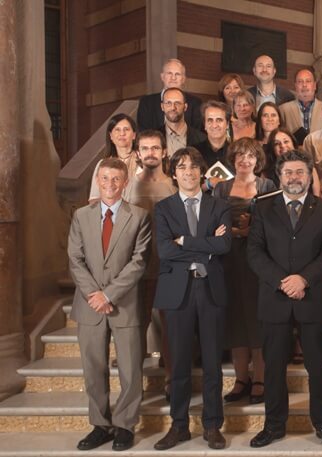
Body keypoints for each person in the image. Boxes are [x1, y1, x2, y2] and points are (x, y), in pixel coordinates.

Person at [247, 150, 322, 449]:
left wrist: (304, 279)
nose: (294, 177)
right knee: (273, 366)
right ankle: (274, 426)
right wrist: (282, 282)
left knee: (317, 366)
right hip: (274, 298)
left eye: (300, 172)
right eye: (288, 172)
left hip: (311, 298)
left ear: (310, 175)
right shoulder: (262, 207)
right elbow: (254, 252)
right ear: (279, 176)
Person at [68, 158, 151, 452]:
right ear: (97, 180)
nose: (110, 185)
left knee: (130, 368)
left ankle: (126, 425)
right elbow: (75, 260)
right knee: (94, 368)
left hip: (125, 303)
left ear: (125, 182)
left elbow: (138, 261)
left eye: (116, 179)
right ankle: (100, 425)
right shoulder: (81, 216)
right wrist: (95, 294)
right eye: (105, 179)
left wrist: (109, 294)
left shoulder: (139, 216)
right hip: (89, 304)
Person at [152, 147, 232, 450]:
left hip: (210, 290)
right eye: (182, 167)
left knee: (212, 362)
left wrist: (185, 241)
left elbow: (224, 246)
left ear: (202, 172)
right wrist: (205, 246)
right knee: (180, 363)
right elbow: (165, 251)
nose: (188, 172)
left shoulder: (219, 206)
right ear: (174, 173)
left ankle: (212, 426)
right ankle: (179, 426)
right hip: (177, 293)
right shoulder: (164, 209)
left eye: (194, 167)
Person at [213, 138, 277, 405]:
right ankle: (241, 378)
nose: (244, 160)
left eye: (250, 155)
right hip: (228, 260)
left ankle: (260, 377)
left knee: (257, 317)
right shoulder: (221, 188)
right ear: (233, 159)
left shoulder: (268, 186)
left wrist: (252, 232)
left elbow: (276, 224)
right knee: (234, 318)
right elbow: (212, 222)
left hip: (257, 261)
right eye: (239, 155)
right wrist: (232, 232)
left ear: (257, 160)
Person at [127, 130, 177, 398]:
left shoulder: (172, 185)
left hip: (167, 266)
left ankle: (170, 378)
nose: (150, 153)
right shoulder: (128, 185)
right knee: (137, 325)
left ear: (164, 152)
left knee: (170, 325)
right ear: (137, 153)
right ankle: (135, 381)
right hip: (138, 268)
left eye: (155, 148)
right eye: (144, 148)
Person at [137, 58, 203, 131]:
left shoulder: (196, 103)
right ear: (162, 77)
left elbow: (198, 134)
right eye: (169, 73)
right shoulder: (146, 102)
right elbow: (143, 133)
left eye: (177, 74)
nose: (173, 78)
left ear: (183, 79)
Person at [88, 114, 139, 202]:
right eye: (117, 130)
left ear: (134, 135)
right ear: (111, 136)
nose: (122, 133)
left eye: (126, 129)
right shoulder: (102, 164)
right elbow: (94, 199)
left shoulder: (142, 162)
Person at [263, 127, 322, 197]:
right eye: (276, 144)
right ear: (272, 149)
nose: (282, 146)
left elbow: (318, 198)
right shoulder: (266, 174)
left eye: (286, 141)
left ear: (293, 143)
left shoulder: (309, 168)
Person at [193, 100, 231, 193]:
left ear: (227, 124)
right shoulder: (193, 152)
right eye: (210, 120)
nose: (214, 125)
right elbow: (186, 189)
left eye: (219, 120)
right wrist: (209, 184)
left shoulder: (238, 152)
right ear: (205, 125)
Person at [279, 68, 322, 144]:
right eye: (300, 82)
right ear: (295, 86)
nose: (304, 85)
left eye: (308, 81)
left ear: (315, 85)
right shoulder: (283, 110)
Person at [159, 87, 207, 158]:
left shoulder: (202, 139)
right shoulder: (154, 137)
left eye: (177, 103)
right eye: (168, 103)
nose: (173, 108)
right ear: (162, 107)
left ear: (185, 107)